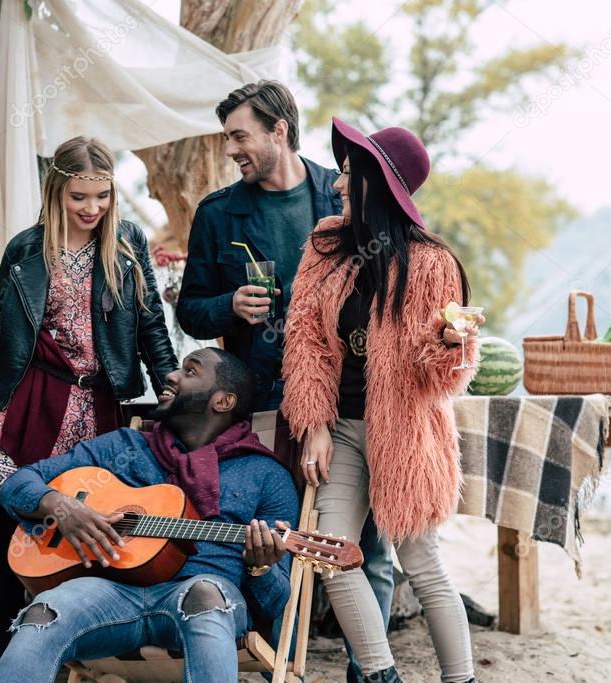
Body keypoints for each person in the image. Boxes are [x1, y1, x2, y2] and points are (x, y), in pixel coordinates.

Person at [0, 136, 178, 679]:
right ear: (54, 193)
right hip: (27, 406)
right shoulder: (24, 250)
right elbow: (3, 344)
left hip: (101, 407)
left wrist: (169, 388)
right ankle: (4, 655)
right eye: (78, 198)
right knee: (11, 536)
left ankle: (82, 652)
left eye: (102, 197)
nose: (92, 210)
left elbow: (153, 331)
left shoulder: (128, 242)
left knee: (98, 533)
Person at [175, 80, 394, 681]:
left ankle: (367, 671)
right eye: (227, 139)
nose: (231, 150)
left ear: (279, 130)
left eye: (240, 136)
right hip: (264, 403)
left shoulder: (342, 195)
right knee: (272, 537)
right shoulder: (218, 214)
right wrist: (228, 306)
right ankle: (282, 660)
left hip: (352, 404)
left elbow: (389, 280)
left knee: (367, 547)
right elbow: (190, 308)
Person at [280, 117, 484, 683]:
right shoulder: (325, 245)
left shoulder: (431, 263)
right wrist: (315, 423)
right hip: (342, 429)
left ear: (377, 182)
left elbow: (441, 378)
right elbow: (303, 339)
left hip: (408, 435)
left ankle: (460, 679)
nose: (339, 184)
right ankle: (379, 674)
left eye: (349, 173)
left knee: (422, 564)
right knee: (331, 554)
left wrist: (447, 345)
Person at [0, 348, 299, 682]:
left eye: (190, 371)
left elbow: (275, 603)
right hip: (110, 594)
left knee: (206, 595)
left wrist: (260, 566)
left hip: (202, 598)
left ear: (222, 401)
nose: (170, 375)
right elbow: (16, 483)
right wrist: (62, 508)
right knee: (43, 610)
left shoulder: (266, 475)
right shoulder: (124, 447)